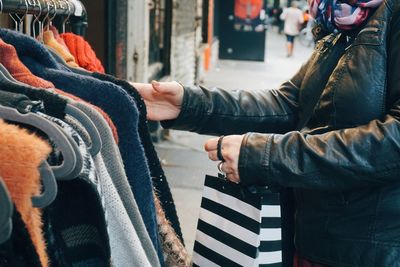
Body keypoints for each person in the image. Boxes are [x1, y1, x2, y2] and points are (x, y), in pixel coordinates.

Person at [133, 0, 400, 265]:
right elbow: (289, 104)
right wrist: (189, 105)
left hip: (368, 253)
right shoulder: (344, 17)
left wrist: (265, 156)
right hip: (309, 237)